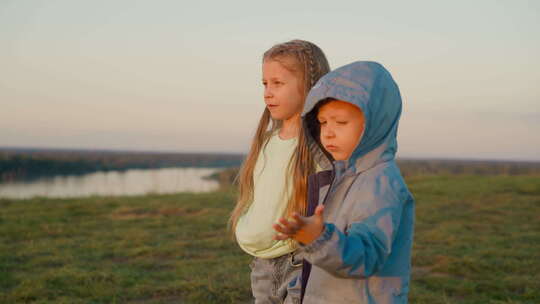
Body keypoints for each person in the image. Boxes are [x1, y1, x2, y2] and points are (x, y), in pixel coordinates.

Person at [273, 61, 415, 303]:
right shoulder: (343, 176)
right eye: (322, 122)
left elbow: (365, 255)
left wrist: (318, 238)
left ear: (373, 124)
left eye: (340, 122)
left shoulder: (380, 183)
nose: (327, 132)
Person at [228, 39, 330, 303]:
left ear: (309, 85)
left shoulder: (320, 146)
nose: (267, 93)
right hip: (262, 266)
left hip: (300, 264)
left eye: (278, 83)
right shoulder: (267, 140)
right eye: (264, 83)